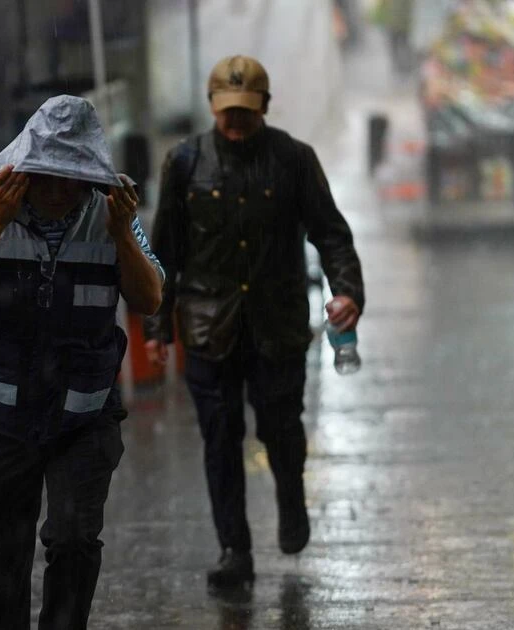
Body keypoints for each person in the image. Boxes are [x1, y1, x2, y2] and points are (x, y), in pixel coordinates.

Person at [0, 95, 163, 629]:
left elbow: (150, 298)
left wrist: (123, 235)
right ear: (25, 164)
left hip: (85, 414)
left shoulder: (112, 211)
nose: (58, 190)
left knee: (75, 539)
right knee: (3, 561)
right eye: (46, 175)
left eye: (72, 178)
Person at [143, 56, 365, 590]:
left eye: (246, 110)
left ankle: (291, 498)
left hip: (277, 324)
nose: (236, 121)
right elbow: (164, 250)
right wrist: (157, 326)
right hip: (207, 325)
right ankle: (233, 549)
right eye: (227, 111)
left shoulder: (293, 159)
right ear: (212, 106)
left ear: (264, 105)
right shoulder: (185, 162)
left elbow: (331, 233)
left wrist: (348, 291)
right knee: (220, 439)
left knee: (282, 428)